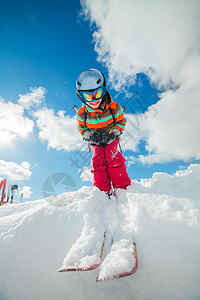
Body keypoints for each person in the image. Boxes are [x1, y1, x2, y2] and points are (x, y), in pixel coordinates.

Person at [75, 68, 131, 194]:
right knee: (97, 161)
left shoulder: (114, 108)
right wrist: (89, 135)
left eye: (98, 94)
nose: (94, 100)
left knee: (113, 158)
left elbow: (121, 121)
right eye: (88, 96)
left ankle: (122, 187)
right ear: (80, 96)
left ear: (104, 90)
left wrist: (115, 133)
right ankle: (102, 191)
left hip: (111, 136)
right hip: (95, 139)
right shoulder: (82, 114)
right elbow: (81, 128)